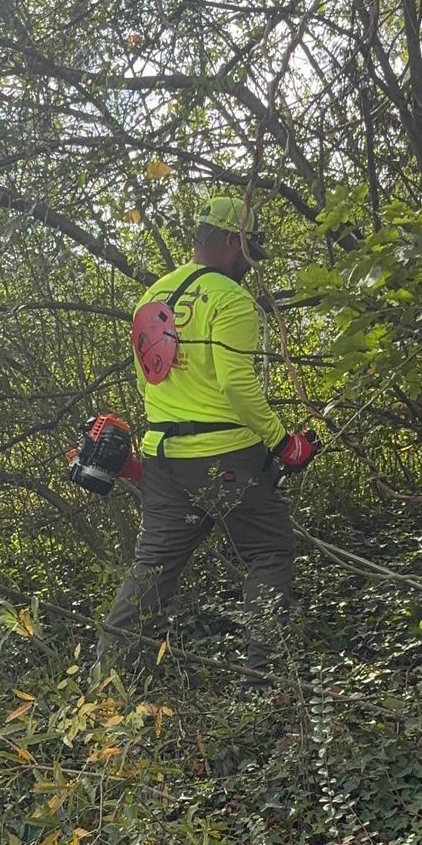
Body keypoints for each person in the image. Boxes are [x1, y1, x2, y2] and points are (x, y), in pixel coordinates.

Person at [97, 192, 317, 679]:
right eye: (248, 252)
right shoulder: (231, 300)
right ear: (233, 242)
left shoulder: (152, 297)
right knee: (269, 551)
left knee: (151, 569)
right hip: (227, 456)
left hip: (163, 457)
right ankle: (267, 680)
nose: (249, 264)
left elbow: (144, 381)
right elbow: (236, 384)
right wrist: (285, 444)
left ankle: (107, 682)